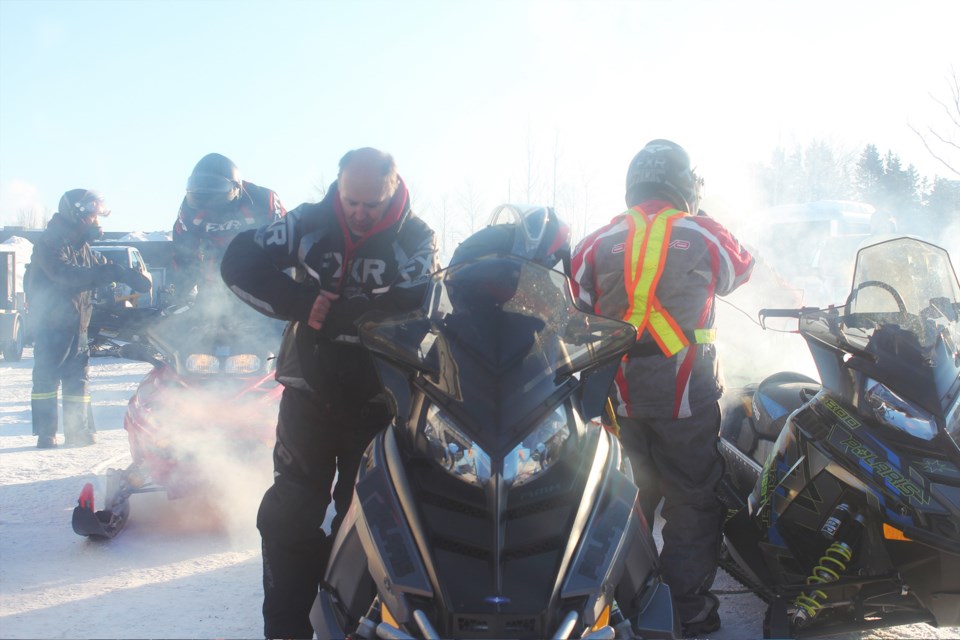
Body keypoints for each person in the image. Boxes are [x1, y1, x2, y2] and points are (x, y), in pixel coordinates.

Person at [220, 147, 439, 639]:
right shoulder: (307, 222)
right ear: (338, 187)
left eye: (371, 204)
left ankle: (351, 626)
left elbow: (418, 307)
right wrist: (300, 302)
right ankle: (284, 629)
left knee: (364, 517)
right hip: (307, 390)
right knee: (290, 513)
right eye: (350, 201)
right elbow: (239, 260)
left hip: (377, 398)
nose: (359, 213)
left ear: (394, 190)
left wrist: (346, 314)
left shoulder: (417, 237)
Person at [570, 139, 754, 637]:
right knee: (691, 499)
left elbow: (578, 303)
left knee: (623, 497)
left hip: (616, 397)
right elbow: (741, 267)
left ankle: (621, 601)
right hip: (685, 396)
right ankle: (684, 611)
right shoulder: (700, 232)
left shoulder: (595, 241)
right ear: (687, 187)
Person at [28, 189, 151, 448]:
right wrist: (111, 272)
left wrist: (129, 274)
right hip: (52, 325)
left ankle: (78, 431)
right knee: (47, 379)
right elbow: (66, 275)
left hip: (78, 324)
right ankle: (46, 434)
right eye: (93, 217)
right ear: (77, 215)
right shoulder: (52, 241)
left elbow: (100, 265)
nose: (97, 222)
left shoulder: (81, 246)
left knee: (78, 379)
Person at [171, 153, 285, 303]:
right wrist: (180, 293)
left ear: (236, 189)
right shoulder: (189, 210)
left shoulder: (263, 200)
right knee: (204, 317)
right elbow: (183, 253)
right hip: (214, 279)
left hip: (259, 274)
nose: (209, 205)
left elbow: (285, 244)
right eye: (201, 197)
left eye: (215, 198)